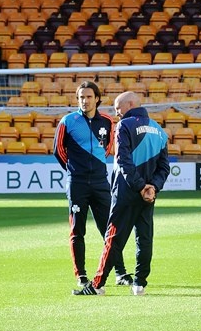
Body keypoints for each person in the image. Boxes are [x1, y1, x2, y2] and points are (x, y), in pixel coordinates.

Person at [73, 91, 170, 296]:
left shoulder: (124, 126)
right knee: (144, 238)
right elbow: (164, 168)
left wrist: (139, 186)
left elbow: (124, 161)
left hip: (127, 192)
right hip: (147, 196)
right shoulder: (159, 131)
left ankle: (97, 285)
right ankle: (139, 284)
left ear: (131, 104)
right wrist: (152, 187)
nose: (116, 112)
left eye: (118, 107)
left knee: (113, 239)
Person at [54, 80, 131, 288]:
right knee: (77, 230)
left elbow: (106, 149)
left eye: (88, 97)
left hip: (100, 183)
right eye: (81, 97)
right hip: (77, 184)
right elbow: (59, 151)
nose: (84, 101)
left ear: (97, 98)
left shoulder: (107, 121)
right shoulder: (67, 121)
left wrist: (95, 168)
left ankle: (120, 273)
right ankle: (81, 275)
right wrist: (75, 170)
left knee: (110, 229)